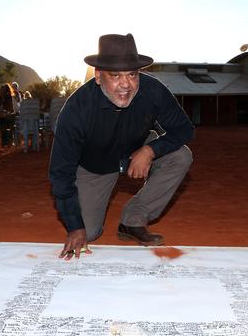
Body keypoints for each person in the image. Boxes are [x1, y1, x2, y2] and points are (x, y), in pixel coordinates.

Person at [49, 33, 194, 260]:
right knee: (89, 231)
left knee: (180, 156)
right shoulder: (77, 109)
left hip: (135, 149)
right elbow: (60, 172)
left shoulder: (153, 91)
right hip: (94, 166)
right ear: (98, 76)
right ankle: (84, 223)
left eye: (132, 74)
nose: (126, 84)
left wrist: (150, 150)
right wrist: (75, 226)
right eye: (115, 75)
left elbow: (184, 129)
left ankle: (132, 220)